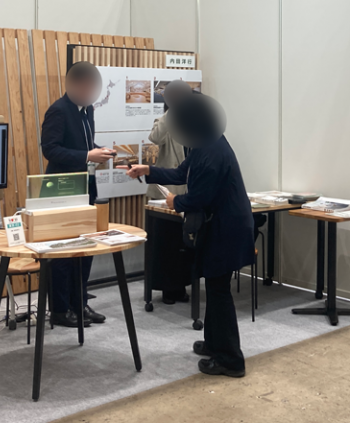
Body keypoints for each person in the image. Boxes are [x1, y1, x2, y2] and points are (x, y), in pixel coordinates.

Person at [122, 95, 255, 378]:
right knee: (215, 288)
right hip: (221, 226)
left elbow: (199, 197)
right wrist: (149, 170)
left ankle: (231, 359)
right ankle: (214, 344)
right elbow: (182, 172)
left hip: (226, 229)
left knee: (219, 292)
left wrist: (176, 202)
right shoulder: (206, 142)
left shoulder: (212, 151)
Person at [41, 61, 115, 327]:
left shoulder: (88, 109)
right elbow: (49, 149)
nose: (91, 92)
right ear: (75, 85)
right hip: (62, 188)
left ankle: (80, 303)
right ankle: (60, 310)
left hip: (86, 186)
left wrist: (100, 151)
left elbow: (84, 144)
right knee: (63, 251)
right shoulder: (58, 110)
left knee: (86, 247)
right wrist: (87, 155)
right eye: (88, 87)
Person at [146, 80, 193, 305]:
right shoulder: (164, 120)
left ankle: (180, 286)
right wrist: (171, 110)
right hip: (165, 193)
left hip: (185, 193)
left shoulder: (191, 122)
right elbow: (154, 137)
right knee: (165, 244)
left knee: (182, 243)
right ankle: (167, 289)